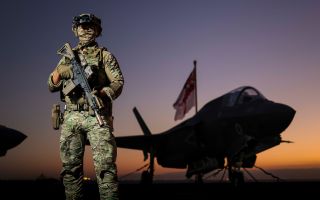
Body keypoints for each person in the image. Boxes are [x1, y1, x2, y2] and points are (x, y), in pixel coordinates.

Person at [48, 13, 124, 200]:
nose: (86, 30)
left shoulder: (104, 56)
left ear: (97, 30)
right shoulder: (67, 57)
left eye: (90, 26)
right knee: (70, 172)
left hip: (96, 116)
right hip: (71, 117)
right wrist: (60, 72)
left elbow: (118, 82)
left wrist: (103, 93)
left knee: (106, 170)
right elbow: (51, 85)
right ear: (75, 30)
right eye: (82, 27)